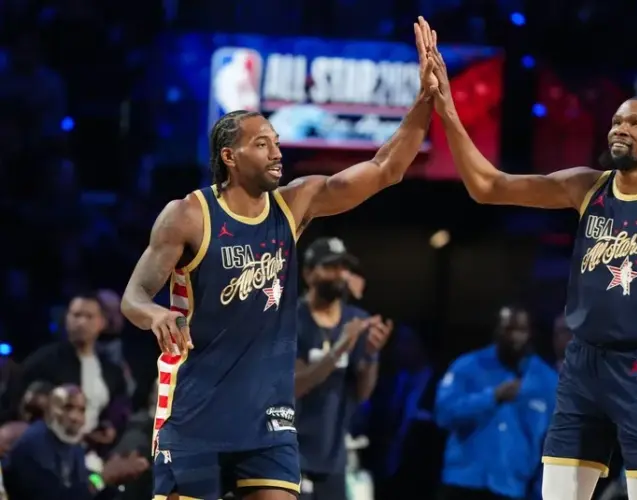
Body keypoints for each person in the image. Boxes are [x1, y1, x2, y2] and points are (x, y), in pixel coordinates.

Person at [417, 19, 637, 499]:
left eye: (636, 123)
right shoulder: (586, 186)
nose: (621, 128)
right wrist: (446, 107)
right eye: (617, 121)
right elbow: (487, 186)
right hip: (582, 365)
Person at [120, 18, 436, 500]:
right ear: (230, 156)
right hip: (196, 408)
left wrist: (425, 99)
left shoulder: (294, 204)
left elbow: (385, 168)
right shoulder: (188, 215)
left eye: (277, 142)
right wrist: (156, 314)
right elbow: (134, 297)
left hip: (269, 415)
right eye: (262, 144)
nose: (276, 152)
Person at [294, 237, 393, 500]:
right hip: (290, 454)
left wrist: (371, 355)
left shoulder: (356, 319)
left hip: (333, 457)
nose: (339, 275)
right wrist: (339, 348)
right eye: (329, 267)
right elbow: (295, 385)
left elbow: (362, 393)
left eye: (343, 268)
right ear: (308, 274)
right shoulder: (292, 319)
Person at [435, 305, 558, 500]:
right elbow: (443, 413)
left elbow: (552, 441)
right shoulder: (467, 366)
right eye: (508, 329)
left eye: (521, 330)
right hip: (463, 483)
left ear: (531, 333)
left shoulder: (547, 380)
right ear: (496, 331)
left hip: (512, 488)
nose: (514, 337)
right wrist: (492, 397)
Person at [21, 291, 129, 448]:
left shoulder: (111, 371)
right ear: (67, 319)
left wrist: (109, 427)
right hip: (51, 447)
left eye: (89, 316)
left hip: (95, 451)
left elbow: (119, 410)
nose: (81, 322)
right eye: (76, 315)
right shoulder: (44, 361)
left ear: (102, 322)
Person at [4, 385, 148, 500]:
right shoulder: (34, 443)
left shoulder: (73, 446)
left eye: (81, 410)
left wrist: (117, 479)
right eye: (67, 408)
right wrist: (103, 478)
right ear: (49, 409)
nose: (75, 417)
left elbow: (85, 488)